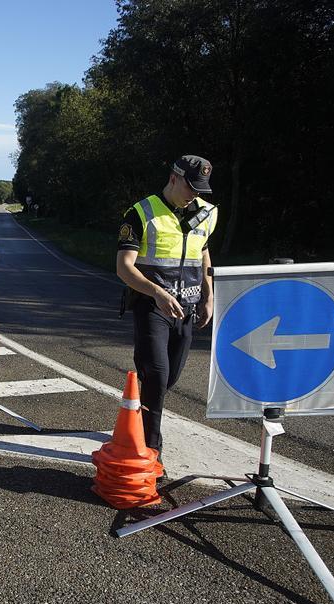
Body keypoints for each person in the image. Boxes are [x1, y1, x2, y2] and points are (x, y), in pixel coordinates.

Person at [115, 155, 218, 467]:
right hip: (151, 305)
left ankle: (141, 412)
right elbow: (123, 268)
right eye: (191, 186)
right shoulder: (141, 213)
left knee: (167, 378)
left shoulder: (205, 213)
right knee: (157, 375)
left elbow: (204, 253)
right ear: (174, 177)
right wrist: (157, 293)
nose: (195, 194)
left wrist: (208, 296)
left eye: (201, 189)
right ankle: (151, 452)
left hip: (186, 306)